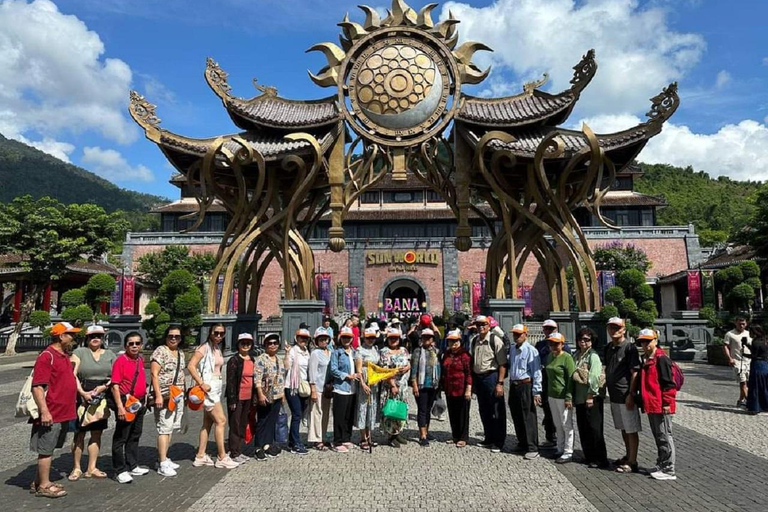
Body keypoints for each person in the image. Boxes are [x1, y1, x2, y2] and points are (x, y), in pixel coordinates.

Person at [29, 322, 79, 498]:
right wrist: (44, 411)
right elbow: (37, 387)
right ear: (61, 336)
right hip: (52, 411)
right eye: (71, 334)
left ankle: (38, 482)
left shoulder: (64, 355)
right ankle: (44, 485)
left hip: (63, 412)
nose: (74, 337)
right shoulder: (47, 356)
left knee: (50, 448)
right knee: (46, 450)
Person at [69, 324, 116, 481]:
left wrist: (104, 387)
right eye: (92, 336)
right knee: (79, 433)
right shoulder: (79, 352)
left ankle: (92, 467)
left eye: (99, 336)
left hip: (101, 396)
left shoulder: (110, 354)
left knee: (97, 433)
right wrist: (82, 393)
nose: (96, 339)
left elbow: (116, 375)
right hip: (82, 394)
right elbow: (72, 374)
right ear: (87, 338)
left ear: (103, 338)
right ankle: (76, 467)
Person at [188, 323, 238, 469]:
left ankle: (200, 455)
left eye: (221, 334)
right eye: (216, 333)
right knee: (221, 421)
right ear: (210, 333)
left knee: (207, 423)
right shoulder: (204, 348)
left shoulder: (217, 348)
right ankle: (222, 456)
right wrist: (201, 383)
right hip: (208, 388)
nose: (218, 336)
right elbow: (191, 365)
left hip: (215, 387)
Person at [637, 329, 677, 480]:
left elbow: (668, 384)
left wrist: (667, 403)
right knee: (659, 435)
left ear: (655, 341)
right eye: (643, 341)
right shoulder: (647, 359)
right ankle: (662, 462)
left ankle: (669, 468)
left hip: (661, 404)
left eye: (648, 341)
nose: (645, 344)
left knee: (665, 435)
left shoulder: (661, 359)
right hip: (652, 403)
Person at [111, 331, 150, 484]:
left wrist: (145, 397)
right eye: (131, 343)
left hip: (138, 402)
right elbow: (115, 385)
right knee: (121, 437)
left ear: (141, 345)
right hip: (126, 403)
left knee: (135, 434)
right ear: (126, 345)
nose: (134, 346)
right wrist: (120, 407)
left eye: (137, 343)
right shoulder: (121, 361)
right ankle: (119, 469)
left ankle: (132, 464)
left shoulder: (140, 360)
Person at [604, 317, 641, 473]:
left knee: (631, 429)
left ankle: (633, 461)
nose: (614, 330)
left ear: (624, 329)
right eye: (611, 327)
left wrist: (631, 394)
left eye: (617, 327)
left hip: (626, 394)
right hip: (614, 395)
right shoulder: (608, 348)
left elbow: (635, 373)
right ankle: (628, 455)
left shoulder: (629, 348)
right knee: (623, 428)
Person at [150, 326, 186, 477]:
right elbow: (153, 373)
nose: (173, 338)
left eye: (177, 336)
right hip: (164, 394)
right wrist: (158, 395)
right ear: (166, 337)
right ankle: (162, 463)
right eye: (171, 336)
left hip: (177, 395)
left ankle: (163, 457)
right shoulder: (160, 351)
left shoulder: (180, 353)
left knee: (171, 427)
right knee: (164, 428)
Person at [470, 315, 507, 453]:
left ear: (489, 325)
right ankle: (489, 437)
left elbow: (503, 364)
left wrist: (500, 383)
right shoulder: (475, 340)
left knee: (496, 410)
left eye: (483, 324)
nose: (481, 327)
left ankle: (499, 441)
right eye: (478, 324)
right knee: (484, 409)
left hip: (491, 376)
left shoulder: (494, 340)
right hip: (479, 378)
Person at [573, 327, 608, 468]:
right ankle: (589, 456)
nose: (583, 342)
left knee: (595, 428)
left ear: (592, 341)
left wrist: (590, 395)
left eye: (587, 339)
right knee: (583, 427)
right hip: (579, 397)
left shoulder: (593, 356)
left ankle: (600, 458)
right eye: (581, 339)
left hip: (591, 397)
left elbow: (594, 376)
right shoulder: (577, 355)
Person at [506, 324, 542, 460]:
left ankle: (532, 447)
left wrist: (536, 391)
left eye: (519, 334)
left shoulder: (531, 350)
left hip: (526, 384)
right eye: (515, 334)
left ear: (525, 335)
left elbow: (537, 372)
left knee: (528, 416)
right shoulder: (513, 349)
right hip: (514, 385)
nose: (516, 336)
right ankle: (522, 443)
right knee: (516, 415)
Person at [535, 318, 572, 447]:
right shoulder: (540, 345)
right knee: (547, 409)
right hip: (545, 379)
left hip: (559, 382)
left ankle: (562, 442)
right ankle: (550, 435)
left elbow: (569, 371)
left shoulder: (565, 347)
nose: (548, 331)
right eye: (546, 328)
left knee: (563, 416)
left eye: (551, 328)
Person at [253, 333, 286, 461]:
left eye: (275, 343)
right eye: (269, 343)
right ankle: (258, 446)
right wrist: (260, 394)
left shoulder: (279, 358)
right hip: (266, 394)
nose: (272, 345)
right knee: (262, 420)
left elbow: (282, 376)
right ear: (265, 344)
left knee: (272, 420)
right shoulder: (261, 359)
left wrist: (282, 394)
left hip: (277, 394)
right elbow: (257, 378)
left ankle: (267, 444)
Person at [545, 332, 576, 463]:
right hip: (552, 395)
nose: (553, 346)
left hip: (563, 395)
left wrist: (569, 397)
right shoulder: (549, 356)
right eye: (551, 343)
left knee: (566, 424)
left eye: (556, 344)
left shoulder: (567, 358)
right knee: (557, 423)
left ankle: (568, 451)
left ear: (562, 344)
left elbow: (571, 378)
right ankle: (560, 447)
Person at [225, 333, 256, 464]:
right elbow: (231, 381)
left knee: (243, 423)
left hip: (248, 396)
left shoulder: (252, 359)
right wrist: (232, 400)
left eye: (248, 343)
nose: (245, 346)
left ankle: (239, 449)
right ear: (238, 345)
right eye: (243, 343)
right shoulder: (234, 360)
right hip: (237, 397)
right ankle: (234, 451)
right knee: (235, 424)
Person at [379, 327, 411, 447]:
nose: (393, 340)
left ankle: (397, 433)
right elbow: (384, 370)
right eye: (391, 338)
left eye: (396, 338)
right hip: (390, 386)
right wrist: (392, 385)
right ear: (387, 339)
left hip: (403, 386)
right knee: (390, 410)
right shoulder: (384, 352)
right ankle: (390, 436)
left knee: (400, 410)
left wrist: (407, 367)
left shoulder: (404, 350)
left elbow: (409, 363)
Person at [440, 329, 472, 447]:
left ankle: (463, 437)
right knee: (453, 413)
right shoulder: (447, 354)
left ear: (460, 341)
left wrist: (469, 389)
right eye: (450, 341)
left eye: (455, 341)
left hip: (462, 388)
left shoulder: (465, 355)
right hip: (450, 388)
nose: (453, 344)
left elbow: (469, 373)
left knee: (462, 413)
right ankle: (455, 435)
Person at [330, 327, 360, 452]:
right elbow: (333, 370)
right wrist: (347, 376)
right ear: (340, 338)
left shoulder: (354, 352)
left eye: (348, 337)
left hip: (352, 389)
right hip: (341, 388)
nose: (346, 340)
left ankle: (346, 438)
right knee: (340, 416)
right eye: (344, 337)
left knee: (349, 415)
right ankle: (337, 441)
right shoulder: (337, 353)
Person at [410, 328, 441, 446]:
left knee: (428, 410)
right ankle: (422, 435)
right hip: (421, 385)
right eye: (424, 337)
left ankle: (426, 431)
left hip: (433, 385)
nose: (426, 339)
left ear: (432, 339)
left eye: (429, 337)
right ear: (421, 339)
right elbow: (414, 369)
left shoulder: (436, 351)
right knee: (422, 410)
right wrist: (414, 384)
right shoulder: (418, 351)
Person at [284, 328, 312, 455]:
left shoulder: (307, 352)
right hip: (292, 386)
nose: (303, 340)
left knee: (299, 414)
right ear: (296, 338)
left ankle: (291, 441)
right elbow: (286, 366)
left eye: (305, 338)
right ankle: (296, 443)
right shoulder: (292, 351)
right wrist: (286, 353)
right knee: (296, 415)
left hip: (303, 386)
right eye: (301, 338)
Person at [355, 327, 381, 449]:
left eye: (373, 338)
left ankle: (370, 435)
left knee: (372, 407)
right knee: (363, 407)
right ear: (364, 338)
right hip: (364, 381)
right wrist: (362, 384)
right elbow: (358, 370)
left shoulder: (376, 349)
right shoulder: (359, 350)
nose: (371, 340)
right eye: (368, 338)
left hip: (374, 382)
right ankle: (363, 437)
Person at [308, 327, 333, 450]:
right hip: (317, 387)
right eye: (321, 339)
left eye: (325, 339)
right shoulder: (315, 353)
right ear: (316, 341)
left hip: (327, 388)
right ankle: (316, 439)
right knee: (316, 413)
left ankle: (322, 436)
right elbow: (312, 372)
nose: (324, 341)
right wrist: (312, 389)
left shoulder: (330, 352)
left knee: (325, 413)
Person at [723, 316, 751, 407]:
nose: (741, 325)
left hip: (749, 361)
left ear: (746, 324)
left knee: (748, 382)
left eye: (743, 324)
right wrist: (729, 358)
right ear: (735, 323)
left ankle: (740, 400)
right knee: (742, 382)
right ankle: (750, 403)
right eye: (740, 323)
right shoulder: (730, 334)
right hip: (737, 361)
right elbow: (725, 346)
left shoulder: (749, 334)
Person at [745, 325, 768, 415]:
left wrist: (744, 354)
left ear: (754, 333)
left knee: (755, 385)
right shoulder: (764, 340)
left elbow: (754, 355)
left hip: (757, 365)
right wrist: (747, 345)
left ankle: (755, 407)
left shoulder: (755, 342)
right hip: (765, 364)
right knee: (764, 385)